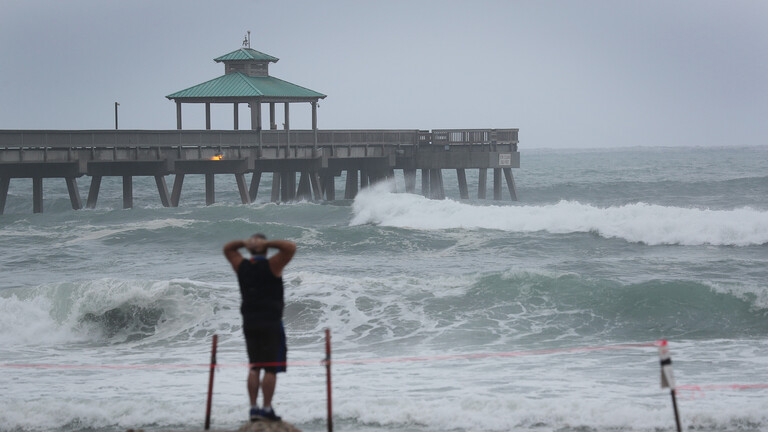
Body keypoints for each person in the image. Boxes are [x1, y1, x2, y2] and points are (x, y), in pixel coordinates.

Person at [223, 233, 296, 422]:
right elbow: (290, 247)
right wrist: (269, 243)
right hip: (270, 322)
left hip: (249, 321)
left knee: (254, 366)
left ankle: (253, 408)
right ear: (266, 249)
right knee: (270, 368)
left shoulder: (242, 266)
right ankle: (266, 408)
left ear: (248, 250)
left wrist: (244, 242)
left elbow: (228, 249)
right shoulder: (272, 265)